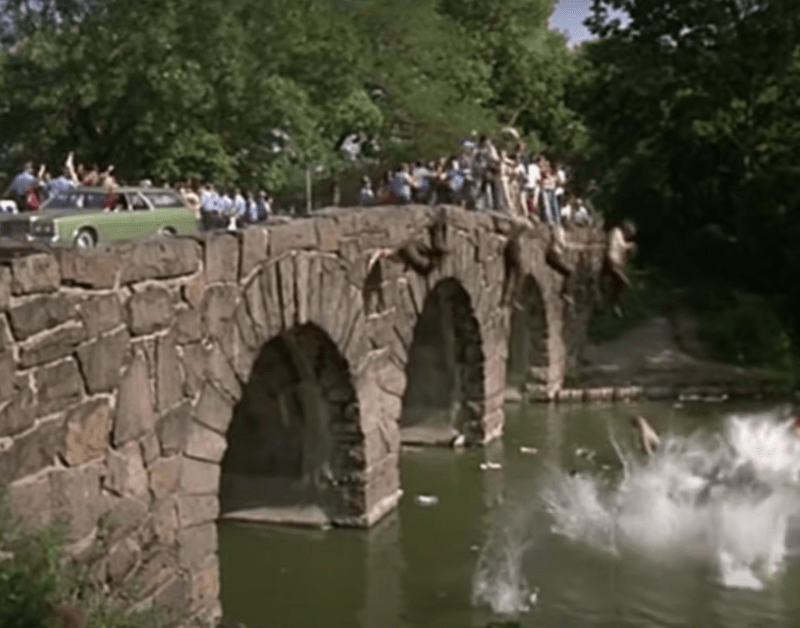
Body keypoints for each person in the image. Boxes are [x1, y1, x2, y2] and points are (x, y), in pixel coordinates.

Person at [603, 220, 637, 317]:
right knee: (624, 282)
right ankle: (614, 304)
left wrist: (629, 247)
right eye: (629, 233)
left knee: (626, 278)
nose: (629, 236)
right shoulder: (616, 233)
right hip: (611, 263)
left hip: (615, 263)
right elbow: (614, 251)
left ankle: (615, 303)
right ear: (626, 230)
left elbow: (622, 248)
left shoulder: (620, 236)